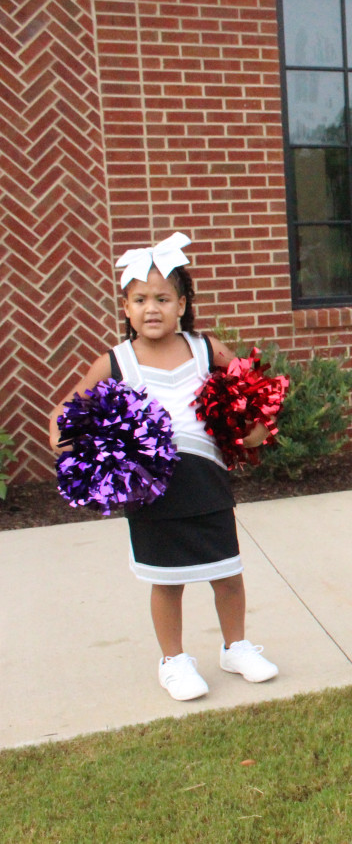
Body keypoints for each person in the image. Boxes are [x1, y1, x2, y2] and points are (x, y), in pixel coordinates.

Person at [48, 233, 279, 702]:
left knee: (227, 571)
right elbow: (63, 415)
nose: (151, 308)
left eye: (162, 298)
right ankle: (173, 660)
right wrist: (70, 449)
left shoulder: (204, 348)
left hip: (207, 480)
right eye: (139, 299)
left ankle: (236, 646)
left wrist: (258, 429)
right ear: (126, 308)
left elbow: (256, 393)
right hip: (150, 490)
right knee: (166, 580)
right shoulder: (114, 361)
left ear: (182, 304)